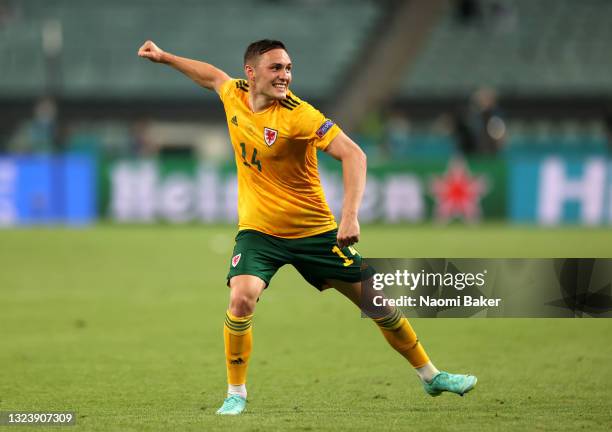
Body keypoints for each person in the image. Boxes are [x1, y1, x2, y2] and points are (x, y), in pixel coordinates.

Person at [138, 39, 477, 415]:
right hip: (260, 232)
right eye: (276, 68)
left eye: (288, 68)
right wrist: (166, 58)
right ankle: (236, 393)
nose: (285, 76)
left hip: (314, 233)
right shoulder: (234, 93)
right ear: (251, 73)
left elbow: (354, 154)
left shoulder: (300, 116)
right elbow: (211, 76)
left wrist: (349, 215)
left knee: (376, 303)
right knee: (241, 297)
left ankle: (430, 376)